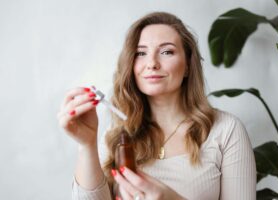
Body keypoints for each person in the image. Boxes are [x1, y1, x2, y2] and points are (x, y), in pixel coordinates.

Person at [57, 11, 256, 200]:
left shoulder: (226, 130)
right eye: (141, 53)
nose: (151, 63)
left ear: (188, 65)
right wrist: (86, 145)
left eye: (166, 51)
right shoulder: (116, 134)